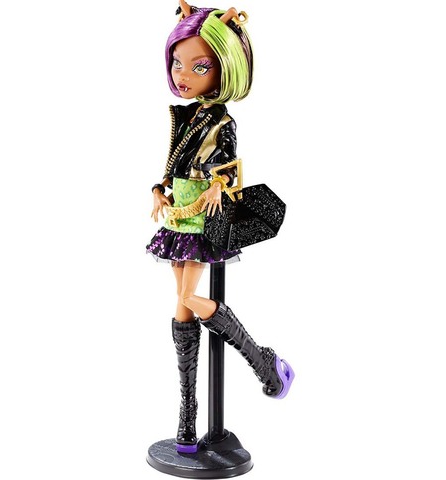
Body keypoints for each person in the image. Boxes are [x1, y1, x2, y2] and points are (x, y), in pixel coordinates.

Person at [146, 1, 294, 454]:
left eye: (200, 66)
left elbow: (229, 164)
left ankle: (262, 362)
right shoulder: (186, 117)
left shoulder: (223, 121)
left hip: (202, 221)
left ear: (225, 68)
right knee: (181, 309)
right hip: (178, 217)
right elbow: (173, 165)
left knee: (188, 299)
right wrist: (158, 191)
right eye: (178, 63)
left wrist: (218, 185)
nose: (184, 74)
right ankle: (187, 422)